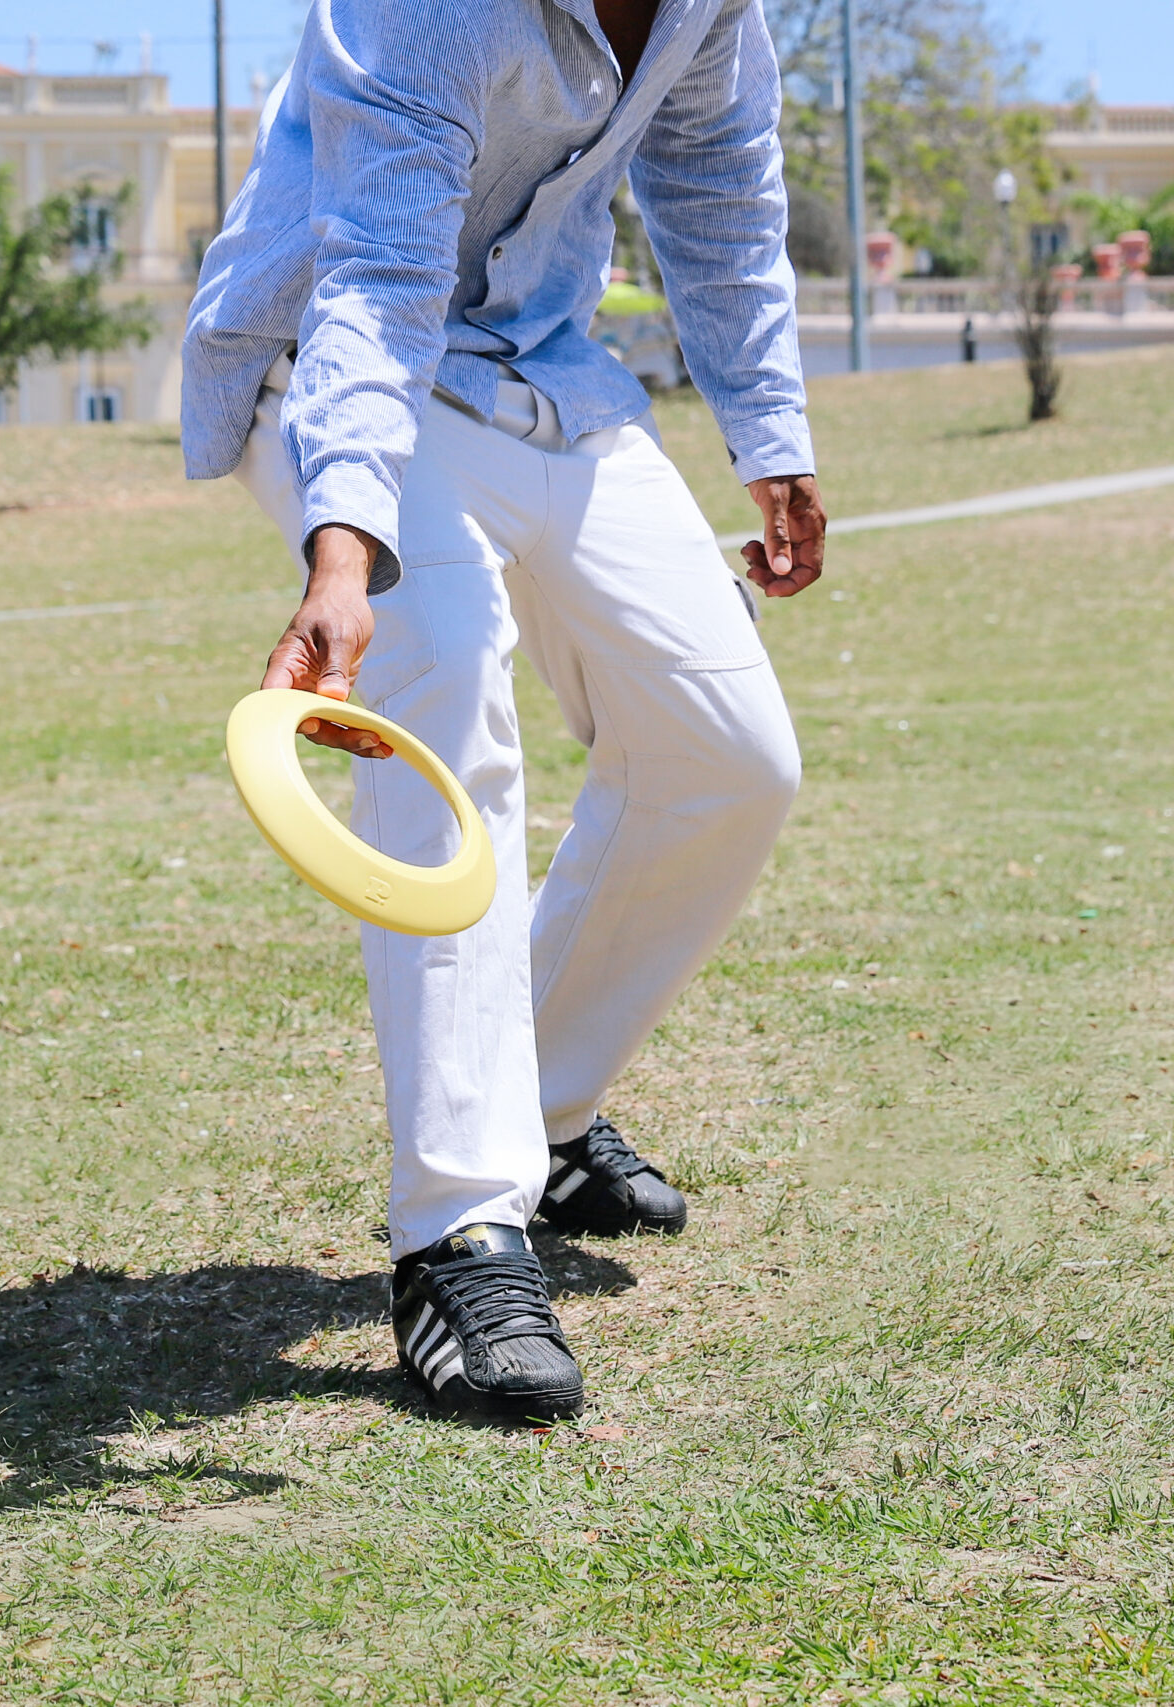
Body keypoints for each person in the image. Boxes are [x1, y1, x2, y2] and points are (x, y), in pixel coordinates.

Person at [181, 0, 826, 1420]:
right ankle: (460, 1231)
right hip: (341, 369)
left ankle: (536, 1107)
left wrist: (769, 433)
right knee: (445, 664)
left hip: (544, 375)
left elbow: (718, 181)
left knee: (728, 754)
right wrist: (344, 547)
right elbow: (375, 271)